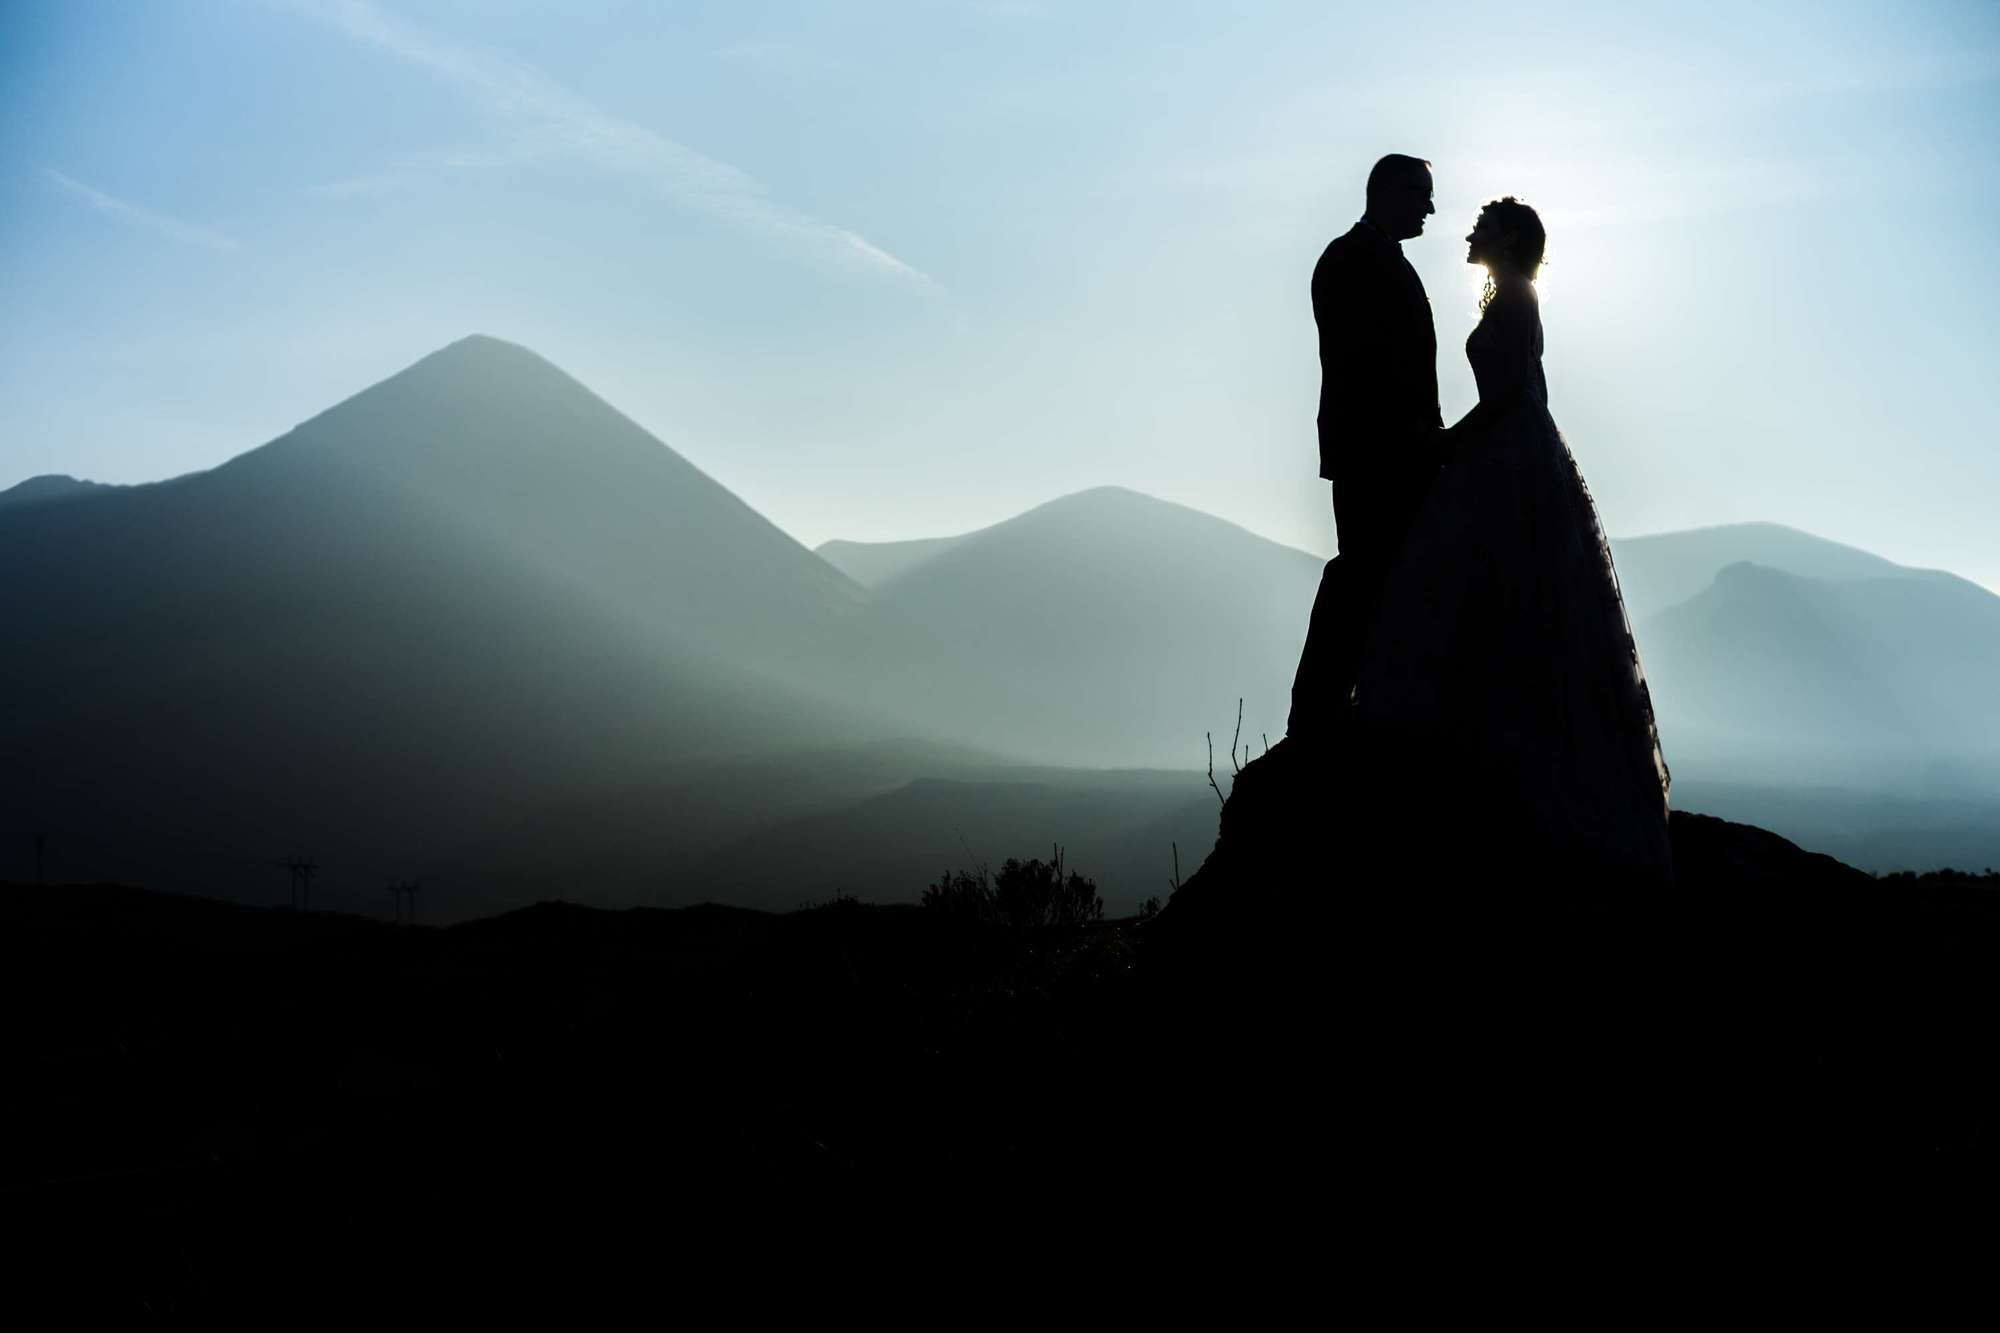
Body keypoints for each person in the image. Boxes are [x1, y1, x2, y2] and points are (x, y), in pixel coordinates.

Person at [1351, 196, 1673, 890]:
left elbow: (1513, 398)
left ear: (1511, 240)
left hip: (1506, 457)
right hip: (1506, 453)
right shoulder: (1512, 299)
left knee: (1491, 593)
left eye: (1487, 222)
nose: (1471, 227)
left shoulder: (1518, 299)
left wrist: (1445, 443)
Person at [1288, 154, 1446, 739]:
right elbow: (1365, 363)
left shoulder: (1379, 259)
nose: (1431, 208)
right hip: (1375, 452)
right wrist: (1415, 436)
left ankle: (1354, 699)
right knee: (1362, 573)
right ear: (1388, 192)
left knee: (1381, 576)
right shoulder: (1350, 259)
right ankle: (1320, 709)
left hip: (1398, 451)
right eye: (1422, 194)